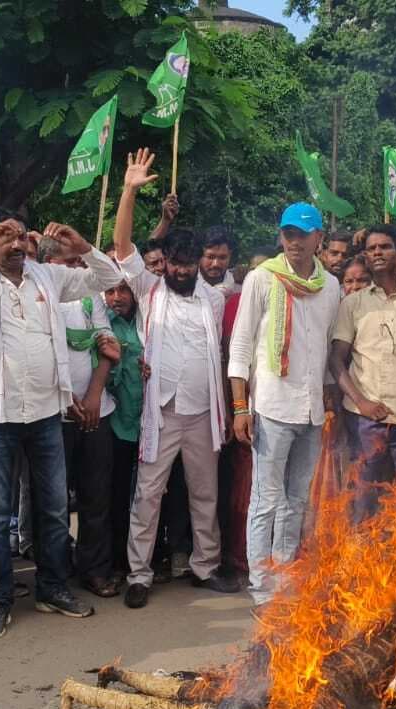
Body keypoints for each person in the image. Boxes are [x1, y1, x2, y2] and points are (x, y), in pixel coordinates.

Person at [0, 216, 122, 638]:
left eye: (19, 237)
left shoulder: (48, 276)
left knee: (52, 507)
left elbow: (109, 276)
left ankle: (51, 588)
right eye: (4, 237)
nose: (14, 245)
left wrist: (81, 243)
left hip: (47, 410)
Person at [110, 149, 244, 608]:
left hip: (203, 413)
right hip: (162, 413)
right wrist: (129, 190)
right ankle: (140, 574)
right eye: (176, 262)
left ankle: (205, 567)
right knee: (148, 495)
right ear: (164, 262)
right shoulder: (149, 290)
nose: (184, 269)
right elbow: (123, 246)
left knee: (204, 495)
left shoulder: (213, 296)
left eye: (190, 262)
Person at [229, 202, 340, 607]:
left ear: (318, 239)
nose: (294, 241)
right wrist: (240, 407)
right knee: (265, 501)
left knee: (297, 501)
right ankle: (262, 589)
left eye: (302, 234)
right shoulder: (263, 279)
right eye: (288, 234)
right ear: (281, 237)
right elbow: (240, 345)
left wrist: (329, 397)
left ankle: (285, 578)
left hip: (311, 410)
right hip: (272, 406)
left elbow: (327, 346)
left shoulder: (331, 286)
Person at [329, 220, 396, 511]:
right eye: (371, 248)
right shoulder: (352, 304)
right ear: (365, 255)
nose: (377, 253)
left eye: (385, 247)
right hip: (365, 421)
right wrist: (362, 402)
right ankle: (360, 557)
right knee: (363, 502)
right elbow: (336, 359)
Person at [39, 240, 122, 600]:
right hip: (53, 414)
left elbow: (109, 346)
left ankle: (94, 570)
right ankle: (54, 575)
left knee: (96, 497)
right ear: (47, 264)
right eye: (67, 262)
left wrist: (92, 396)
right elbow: (40, 355)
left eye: (78, 261)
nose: (75, 269)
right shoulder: (39, 299)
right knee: (54, 503)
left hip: (96, 412)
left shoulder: (92, 300)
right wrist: (66, 398)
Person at [102, 280, 144, 589]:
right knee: (115, 496)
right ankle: (116, 560)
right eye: (111, 291)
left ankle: (147, 558)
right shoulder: (103, 322)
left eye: (123, 290)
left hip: (149, 422)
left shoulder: (148, 319)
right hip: (115, 423)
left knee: (148, 496)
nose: (117, 298)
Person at [200, 226, 240, 295]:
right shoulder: (185, 286)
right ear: (199, 256)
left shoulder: (239, 292)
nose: (216, 264)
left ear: (230, 256)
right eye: (210, 257)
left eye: (222, 258)